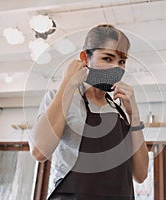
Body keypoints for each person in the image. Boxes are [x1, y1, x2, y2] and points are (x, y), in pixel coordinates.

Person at [29, 24, 149, 200]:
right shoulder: (60, 97)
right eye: (108, 58)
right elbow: (39, 152)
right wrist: (67, 85)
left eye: (121, 61)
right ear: (85, 58)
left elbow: (141, 175)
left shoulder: (119, 110)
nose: (116, 68)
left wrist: (134, 114)